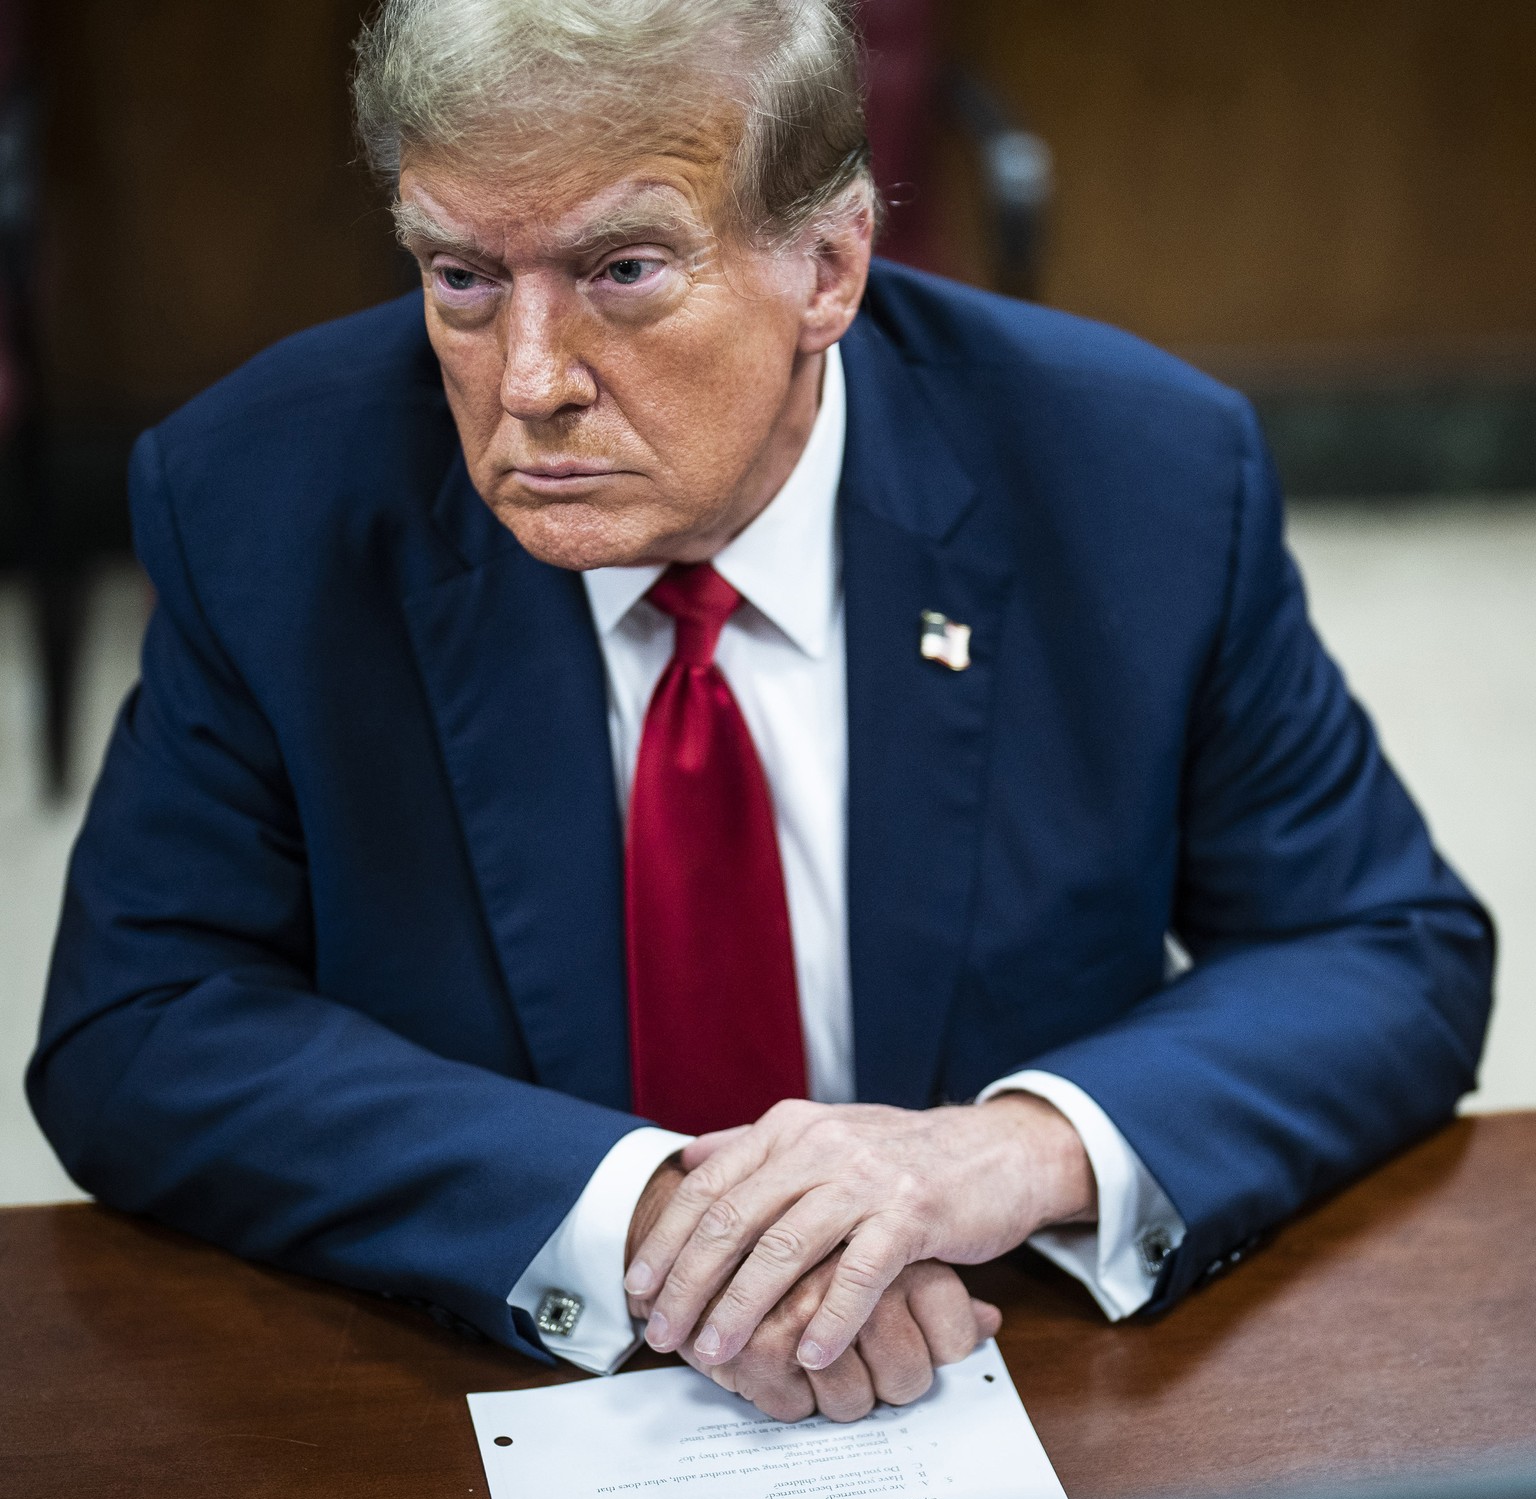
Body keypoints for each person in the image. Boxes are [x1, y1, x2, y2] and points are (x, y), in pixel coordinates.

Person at [29, 0, 1493, 1425]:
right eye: (462, 276)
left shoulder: (1137, 477)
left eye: (622, 270)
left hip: (1010, 1375)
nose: (527, 382)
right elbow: (140, 1025)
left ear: (831, 266)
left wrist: (1013, 1148)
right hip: (479, 1402)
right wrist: (662, 1221)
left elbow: (1382, 947)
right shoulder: (261, 498)